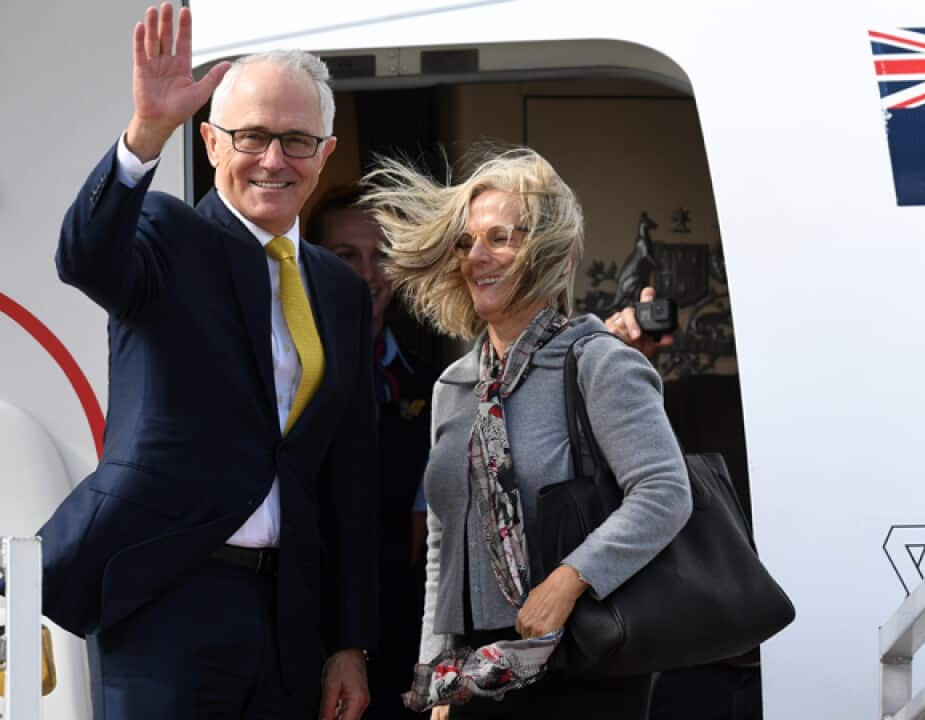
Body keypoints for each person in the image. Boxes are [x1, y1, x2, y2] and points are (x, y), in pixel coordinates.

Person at [31, 5, 376, 718]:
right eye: (252, 136)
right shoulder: (168, 235)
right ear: (212, 142)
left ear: (326, 152)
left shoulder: (339, 289)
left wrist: (349, 644)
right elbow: (84, 256)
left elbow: (346, 477)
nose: (274, 160)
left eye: (297, 140)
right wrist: (146, 134)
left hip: (287, 618)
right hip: (166, 601)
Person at [364, 147, 693, 719]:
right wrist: (437, 672)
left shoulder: (598, 362)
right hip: (477, 673)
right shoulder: (454, 385)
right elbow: (443, 544)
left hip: (583, 658)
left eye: (500, 238)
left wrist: (566, 581)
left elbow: (665, 492)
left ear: (548, 251)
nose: (476, 258)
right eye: (466, 242)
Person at [307, 186, 435, 720]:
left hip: (401, 639)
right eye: (346, 256)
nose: (367, 273)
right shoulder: (289, 375)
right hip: (304, 632)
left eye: (380, 255)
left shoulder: (430, 381)